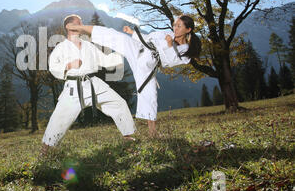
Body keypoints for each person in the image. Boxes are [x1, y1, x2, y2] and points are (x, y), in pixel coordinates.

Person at [66, 15, 202, 138]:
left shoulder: (186, 52)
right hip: (138, 48)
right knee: (113, 35)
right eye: (174, 25)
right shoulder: (167, 34)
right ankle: (79, 28)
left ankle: (152, 132)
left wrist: (169, 46)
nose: (175, 28)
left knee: (150, 95)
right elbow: (149, 38)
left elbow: (171, 62)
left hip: (148, 64)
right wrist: (132, 33)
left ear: (188, 29)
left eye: (179, 26)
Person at [41, 14, 137, 156]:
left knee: (118, 103)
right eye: (78, 23)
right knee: (59, 118)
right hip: (73, 88)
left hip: (94, 84)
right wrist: (68, 65)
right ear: (69, 26)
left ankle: (128, 137)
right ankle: (46, 150)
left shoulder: (88, 45)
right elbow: (53, 67)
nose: (82, 25)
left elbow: (104, 60)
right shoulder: (61, 48)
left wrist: (124, 53)